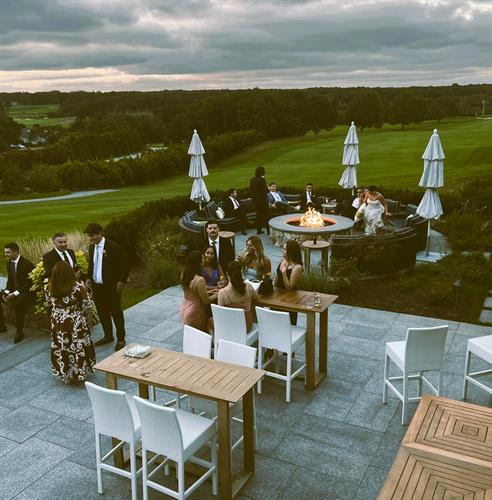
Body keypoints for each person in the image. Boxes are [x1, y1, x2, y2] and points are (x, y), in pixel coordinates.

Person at [45, 262, 96, 384]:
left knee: (61, 345)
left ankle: (65, 371)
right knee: (77, 345)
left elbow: (48, 303)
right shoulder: (78, 288)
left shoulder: (49, 287)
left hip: (57, 321)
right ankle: (79, 372)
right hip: (75, 321)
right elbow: (88, 305)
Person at [84, 223, 129, 351]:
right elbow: (92, 265)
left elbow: (126, 264)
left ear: (99, 233)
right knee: (102, 312)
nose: (90, 238)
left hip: (111, 287)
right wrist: (88, 278)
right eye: (88, 236)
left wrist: (122, 281)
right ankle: (108, 336)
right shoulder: (92, 247)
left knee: (116, 312)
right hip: (97, 287)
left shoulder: (113, 247)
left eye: (91, 235)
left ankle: (121, 338)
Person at [2, 242, 35, 343]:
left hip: (26, 291)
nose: (5, 255)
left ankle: (19, 330)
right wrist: (7, 292)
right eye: (5, 252)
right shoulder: (9, 264)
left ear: (16, 252)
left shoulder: (27, 265)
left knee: (18, 304)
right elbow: (10, 281)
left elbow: (28, 284)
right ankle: (1, 325)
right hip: (14, 290)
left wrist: (14, 294)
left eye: (8, 252)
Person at [181, 250, 218, 332]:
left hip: (185, 308)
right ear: (197, 263)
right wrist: (217, 294)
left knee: (191, 336)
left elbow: (193, 293)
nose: (204, 260)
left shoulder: (184, 274)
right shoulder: (199, 280)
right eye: (202, 259)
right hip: (196, 311)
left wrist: (210, 291)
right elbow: (206, 301)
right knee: (200, 336)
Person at [218, 261, 258, 332]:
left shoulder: (222, 293)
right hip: (248, 327)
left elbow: (221, 314)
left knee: (210, 321)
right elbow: (256, 298)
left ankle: (215, 341)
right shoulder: (248, 287)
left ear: (227, 274)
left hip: (232, 327)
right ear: (241, 273)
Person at [275, 240, 304, 324]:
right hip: (277, 298)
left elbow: (289, 288)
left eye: (284, 249)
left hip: (290, 301)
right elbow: (277, 276)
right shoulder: (283, 260)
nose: (282, 250)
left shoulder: (297, 267)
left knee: (287, 324)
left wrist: (284, 272)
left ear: (290, 252)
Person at [249, 165, 270, 235]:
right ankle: (268, 231)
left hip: (256, 202)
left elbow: (251, 190)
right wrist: (268, 189)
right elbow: (266, 190)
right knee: (266, 216)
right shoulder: (262, 179)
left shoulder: (252, 179)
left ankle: (258, 230)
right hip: (263, 201)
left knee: (258, 216)